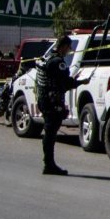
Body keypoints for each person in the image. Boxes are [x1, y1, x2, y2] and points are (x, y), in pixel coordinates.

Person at [36, 35, 89, 176]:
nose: (69, 50)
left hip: (43, 99)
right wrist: (81, 82)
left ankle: (48, 163)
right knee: (50, 134)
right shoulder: (58, 62)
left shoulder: (46, 58)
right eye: (68, 47)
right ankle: (49, 164)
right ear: (63, 46)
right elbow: (65, 83)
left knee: (49, 132)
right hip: (52, 102)